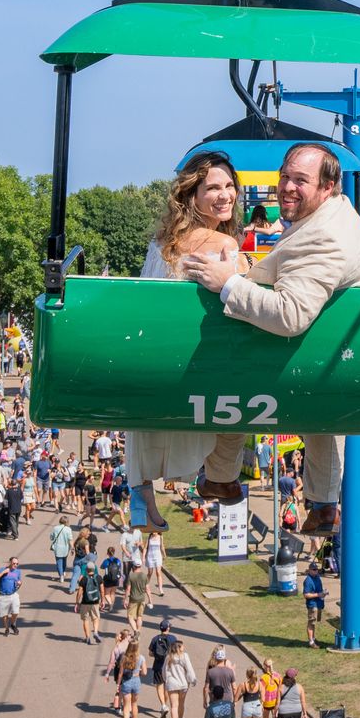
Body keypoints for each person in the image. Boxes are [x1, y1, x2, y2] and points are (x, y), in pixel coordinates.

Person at [182, 143, 360, 537]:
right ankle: (324, 503)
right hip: (337, 356)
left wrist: (230, 284)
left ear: (327, 187)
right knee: (317, 412)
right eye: (285, 176)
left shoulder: (323, 237)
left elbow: (291, 314)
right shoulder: (337, 215)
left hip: (316, 354)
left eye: (300, 181)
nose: (287, 187)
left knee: (232, 378)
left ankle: (221, 475)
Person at [119, 153, 250, 532]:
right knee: (240, 406)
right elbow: (240, 300)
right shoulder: (223, 243)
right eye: (213, 188)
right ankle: (219, 476)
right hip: (201, 360)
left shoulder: (162, 243)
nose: (225, 195)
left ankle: (142, 498)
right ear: (191, 196)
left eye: (229, 186)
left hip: (160, 356)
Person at [162, 637, 196, 718]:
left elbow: (164, 670)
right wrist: (193, 679)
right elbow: (189, 669)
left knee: (174, 706)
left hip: (172, 683)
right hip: (183, 684)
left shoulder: (168, 657)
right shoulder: (184, 656)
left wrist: (166, 680)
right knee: (181, 704)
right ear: (179, 647)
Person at [114, 640, 143, 718]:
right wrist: (139, 671)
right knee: (134, 704)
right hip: (136, 681)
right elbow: (145, 673)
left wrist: (118, 684)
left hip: (126, 682)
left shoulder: (124, 658)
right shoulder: (141, 658)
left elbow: (120, 673)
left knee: (126, 706)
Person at [0, 558, 25, 636]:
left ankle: (12, 624)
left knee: (16, 612)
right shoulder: (2, 569)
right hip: (3, 595)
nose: (15, 565)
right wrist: (3, 573)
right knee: (4, 614)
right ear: (10, 563)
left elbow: (19, 581)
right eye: (14, 563)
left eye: (17, 564)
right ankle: (6, 629)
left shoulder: (18, 572)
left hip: (14, 594)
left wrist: (20, 583)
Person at [302, 562, 327, 648]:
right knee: (311, 623)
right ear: (309, 570)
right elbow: (306, 595)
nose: (316, 571)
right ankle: (311, 642)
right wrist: (318, 595)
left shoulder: (317, 578)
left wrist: (323, 593)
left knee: (314, 623)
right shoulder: (308, 581)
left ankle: (313, 638)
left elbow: (319, 590)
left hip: (319, 603)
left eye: (317, 569)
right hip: (313, 605)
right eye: (314, 569)